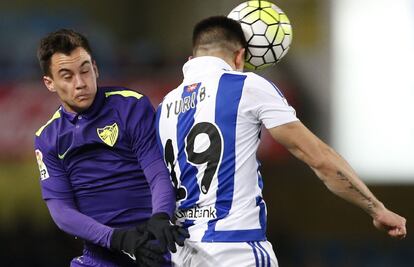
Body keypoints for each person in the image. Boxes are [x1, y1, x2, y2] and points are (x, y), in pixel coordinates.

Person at [155, 16, 407, 267]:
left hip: (180, 255)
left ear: (192, 60)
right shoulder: (247, 86)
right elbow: (318, 158)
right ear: (240, 57)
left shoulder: (163, 107)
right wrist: (377, 208)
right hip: (235, 251)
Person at [34, 29, 188, 267]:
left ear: (95, 68)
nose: (80, 83)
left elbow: (157, 171)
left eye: (85, 70)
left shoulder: (130, 106)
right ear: (49, 83)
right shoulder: (48, 138)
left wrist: (160, 217)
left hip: (153, 247)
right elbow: (61, 211)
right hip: (100, 256)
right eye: (67, 76)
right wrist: (117, 239)